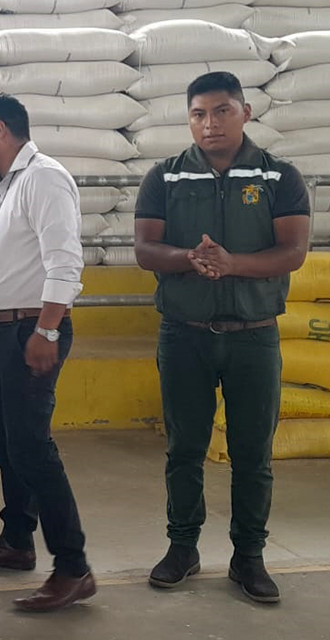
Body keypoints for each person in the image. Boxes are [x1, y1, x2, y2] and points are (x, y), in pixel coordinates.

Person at [134, 71, 310, 604]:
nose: (209, 124)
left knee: (252, 453)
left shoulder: (280, 177)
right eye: (198, 114)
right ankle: (182, 547)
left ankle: (248, 558)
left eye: (221, 111)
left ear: (245, 113)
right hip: (183, 335)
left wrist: (232, 265)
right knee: (183, 448)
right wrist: (189, 258)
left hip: (254, 338)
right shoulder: (163, 178)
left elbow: (293, 253)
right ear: (189, 119)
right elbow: (145, 249)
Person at [0, 94, 96, 612]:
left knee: (32, 447)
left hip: (35, 326)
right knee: (7, 443)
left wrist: (48, 331)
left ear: (0, 130)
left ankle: (73, 568)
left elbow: (64, 262)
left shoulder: (45, 179)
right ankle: (16, 542)